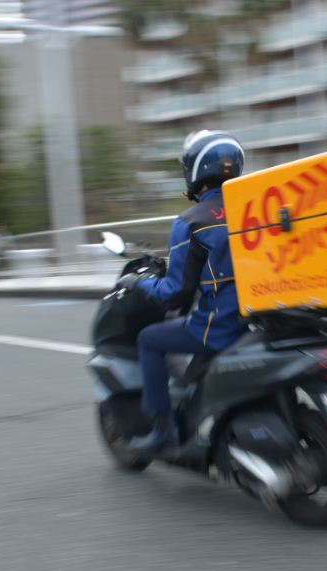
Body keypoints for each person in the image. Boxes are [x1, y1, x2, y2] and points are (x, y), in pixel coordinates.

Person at [128, 130, 249, 453]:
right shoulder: (255, 207)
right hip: (263, 320)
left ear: (194, 170)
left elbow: (176, 294)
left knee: (148, 339)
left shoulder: (191, 221)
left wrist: (139, 284)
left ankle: (162, 427)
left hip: (221, 328)